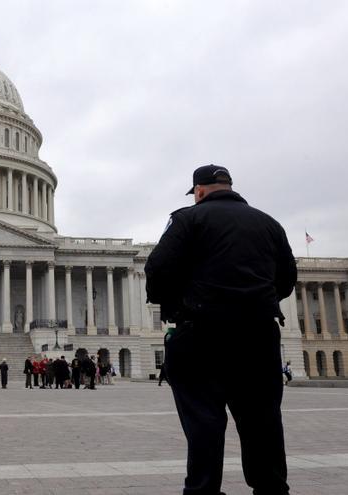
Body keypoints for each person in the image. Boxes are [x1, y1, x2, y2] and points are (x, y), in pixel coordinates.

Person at [145, 164, 296, 495]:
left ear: (198, 191)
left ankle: (203, 491)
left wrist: (174, 302)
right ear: (230, 186)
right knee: (263, 421)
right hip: (258, 333)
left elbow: (156, 269)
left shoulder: (188, 218)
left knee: (204, 421)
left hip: (202, 331)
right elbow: (287, 279)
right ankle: (271, 490)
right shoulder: (269, 223)